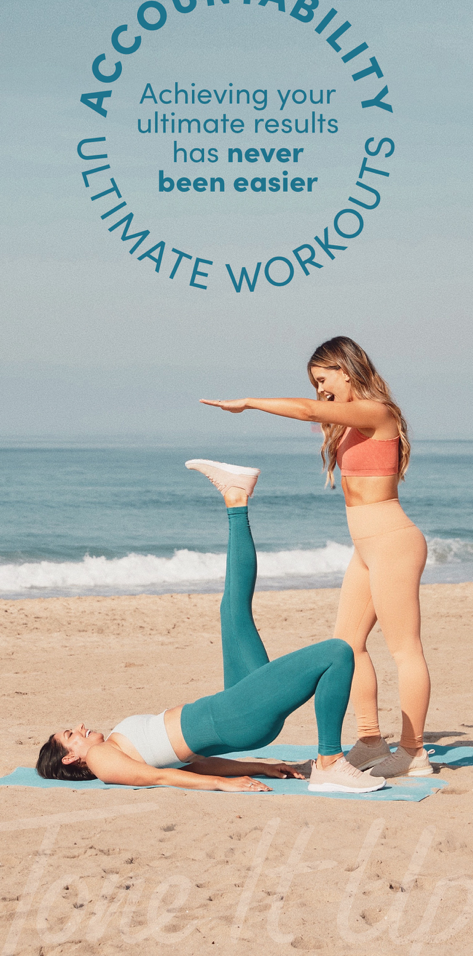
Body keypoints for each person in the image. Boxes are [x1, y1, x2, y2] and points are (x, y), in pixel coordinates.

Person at [36, 462, 386, 794]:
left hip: (234, 712)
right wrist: (222, 785)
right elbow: (155, 777)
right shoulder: (99, 759)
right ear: (70, 757)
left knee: (232, 610)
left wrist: (260, 766)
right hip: (235, 715)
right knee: (337, 652)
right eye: (71, 734)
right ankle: (330, 762)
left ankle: (236, 498)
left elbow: (192, 765)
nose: (80, 727)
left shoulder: (115, 746)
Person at [200, 336, 433, 779]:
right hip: (367, 548)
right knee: (346, 645)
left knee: (404, 649)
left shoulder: (376, 411)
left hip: (392, 542)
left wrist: (248, 402)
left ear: (347, 371)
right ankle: (369, 740)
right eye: (315, 383)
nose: (320, 390)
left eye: (324, 379)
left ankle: (415, 751)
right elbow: (317, 414)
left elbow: (309, 412)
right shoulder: (349, 421)